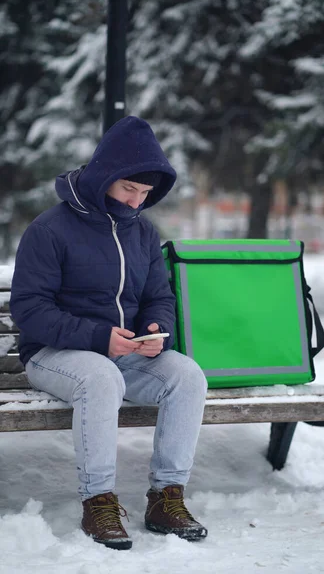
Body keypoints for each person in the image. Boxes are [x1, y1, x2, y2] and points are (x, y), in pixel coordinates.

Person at [10, 116, 208, 550]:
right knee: (101, 378)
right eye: (128, 190)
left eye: (144, 194)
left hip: (124, 353)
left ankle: (166, 498)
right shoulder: (50, 229)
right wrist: (99, 337)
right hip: (54, 352)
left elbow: (160, 296)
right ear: (105, 178)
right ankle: (98, 500)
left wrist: (157, 329)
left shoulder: (142, 232)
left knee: (187, 375)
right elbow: (29, 309)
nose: (136, 202)